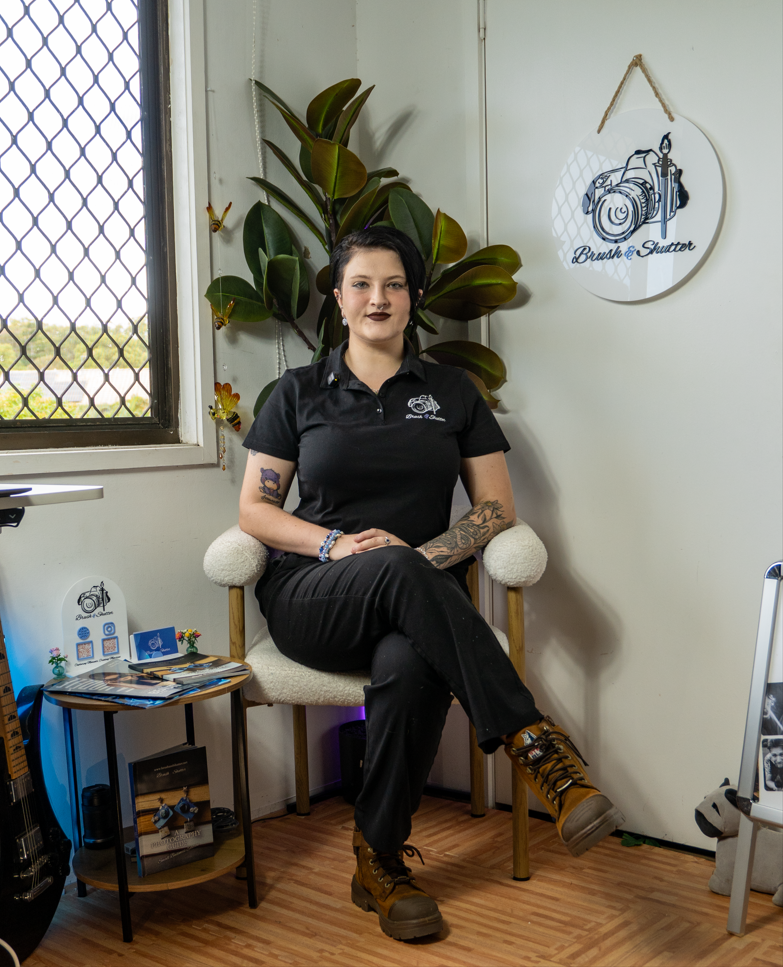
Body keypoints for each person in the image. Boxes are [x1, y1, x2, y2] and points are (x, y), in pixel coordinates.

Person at [239, 226, 624, 941]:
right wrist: (333, 543)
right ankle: (536, 745)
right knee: (388, 567)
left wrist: (419, 554)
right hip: (312, 596)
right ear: (339, 298)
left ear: (414, 299)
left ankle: (377, 858)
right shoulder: (296, 392)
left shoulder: (452, 391)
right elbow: (253, 510)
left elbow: (496, 508)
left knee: (411, 663)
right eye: (361, 284)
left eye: (393, 285)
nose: (376, 298)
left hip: (409, 597)